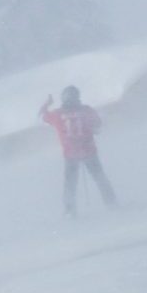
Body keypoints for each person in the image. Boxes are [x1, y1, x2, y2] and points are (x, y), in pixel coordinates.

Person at [39, 85, 116, 217]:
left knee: (70, 184)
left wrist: (47, 104)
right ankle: (111, 203)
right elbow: (98, 125)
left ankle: (70, 210)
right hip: (89, 151)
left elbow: (43, 116)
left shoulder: (57, 114)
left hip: (70, 154)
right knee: (100, 178)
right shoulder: (87, 110)